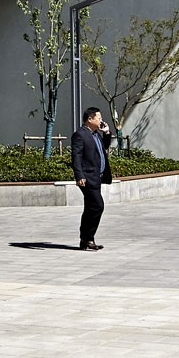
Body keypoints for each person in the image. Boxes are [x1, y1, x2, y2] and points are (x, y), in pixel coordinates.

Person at [72, 105, 111, 250]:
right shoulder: (80, 135)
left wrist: (106, 133)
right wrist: (79, 175)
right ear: (90, 119)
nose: (101, 120)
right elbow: (76, 156)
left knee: (90, 207)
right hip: (87, 177)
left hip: (97, 177)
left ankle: (86, 239)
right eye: (99, 118)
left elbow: (105, 147)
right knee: (97, 205)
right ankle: (87, 238)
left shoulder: (96, 134)